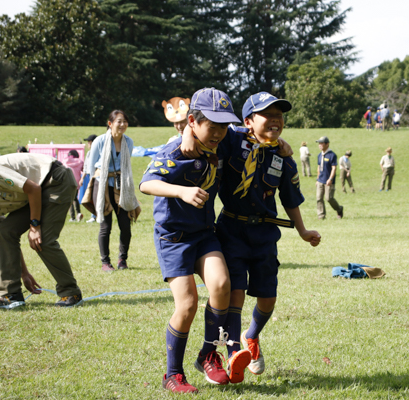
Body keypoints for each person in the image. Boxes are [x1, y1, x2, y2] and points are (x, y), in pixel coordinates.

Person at [182, 92, 321, 381]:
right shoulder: (232, 141)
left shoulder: (282, 157)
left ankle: (251, 336)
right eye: (267, 115)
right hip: (232, 230)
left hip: (265, 234)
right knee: (235, 293)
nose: (275, 120)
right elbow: (205, 124)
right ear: (248, 121)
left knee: (268, 298)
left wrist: (303, 230)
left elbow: (290, 198)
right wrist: (186, 132)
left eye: (279, 116)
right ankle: (233, 352)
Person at [140, 88, 251, 393]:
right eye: (211, 126)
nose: (218, 133)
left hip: (204, 234)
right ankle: (172, 375)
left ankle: (207, 354)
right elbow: (147, 182)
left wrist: (277, 142)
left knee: (221, 285)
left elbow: (250, 130)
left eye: (223, 126)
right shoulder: (176, 151)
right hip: (173, 238)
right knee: (187, 303)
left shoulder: (223, 140)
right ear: (192, 121)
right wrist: (182, 191)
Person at [0, 153, 83, 308]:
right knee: (6, 231)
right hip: (35, 193)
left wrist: (35, 226)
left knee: (44, 240)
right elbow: (6, 238)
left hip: (55, 180)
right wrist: (23, 273)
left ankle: (71, 293)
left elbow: (33, 188)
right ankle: (11, 295)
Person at [85, 110, 141, 272]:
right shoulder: (99, 141)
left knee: (125, 225)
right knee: (105, 226)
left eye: (125, 121)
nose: (122, 124)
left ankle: (122, 260)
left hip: (122, 185)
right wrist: (97, 182)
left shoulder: (128, 142)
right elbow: (90, 166)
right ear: (110, 124)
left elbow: (126, 164)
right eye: (119, 121)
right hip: (101, 185)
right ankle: (105, 262)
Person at [316, 136, 344, 219]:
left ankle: (339, 209)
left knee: (329, 198)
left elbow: (334, 168)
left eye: (321, 143)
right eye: (319, 143)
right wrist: (317, 179)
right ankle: (321, 216)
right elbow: (318, 167)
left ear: (327, 144)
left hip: (328, 181)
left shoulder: (332, 155)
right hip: (320, 180)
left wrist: (330, 179)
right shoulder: (319, 155)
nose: (320, 145)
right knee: (319, 198)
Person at [79, 134, 97, 223]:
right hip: (89, 176)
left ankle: (94, 216)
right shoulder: (89, 153)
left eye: (89, 142)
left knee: (94, 196)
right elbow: (86, 166)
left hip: (96, 176)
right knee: (91, 196)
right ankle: (94, 215)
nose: (88, 144)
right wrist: (82, 178)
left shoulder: (98, 152)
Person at [63, 150, 84, 222]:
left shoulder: (65, 161)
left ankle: (73, 217)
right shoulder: (80, 162)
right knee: (75, 198)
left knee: (70, 200)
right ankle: (78, 213)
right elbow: (83, 170)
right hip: (77, 181)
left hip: (68, 181)